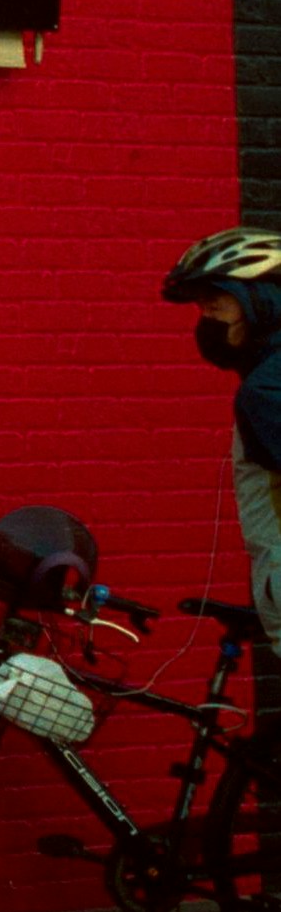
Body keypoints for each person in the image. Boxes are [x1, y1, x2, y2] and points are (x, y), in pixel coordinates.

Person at [164, 226, 281, 623]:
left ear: (260, 302)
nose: (206, 323)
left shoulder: (265, 389)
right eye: (202, 310)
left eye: (216, 306)